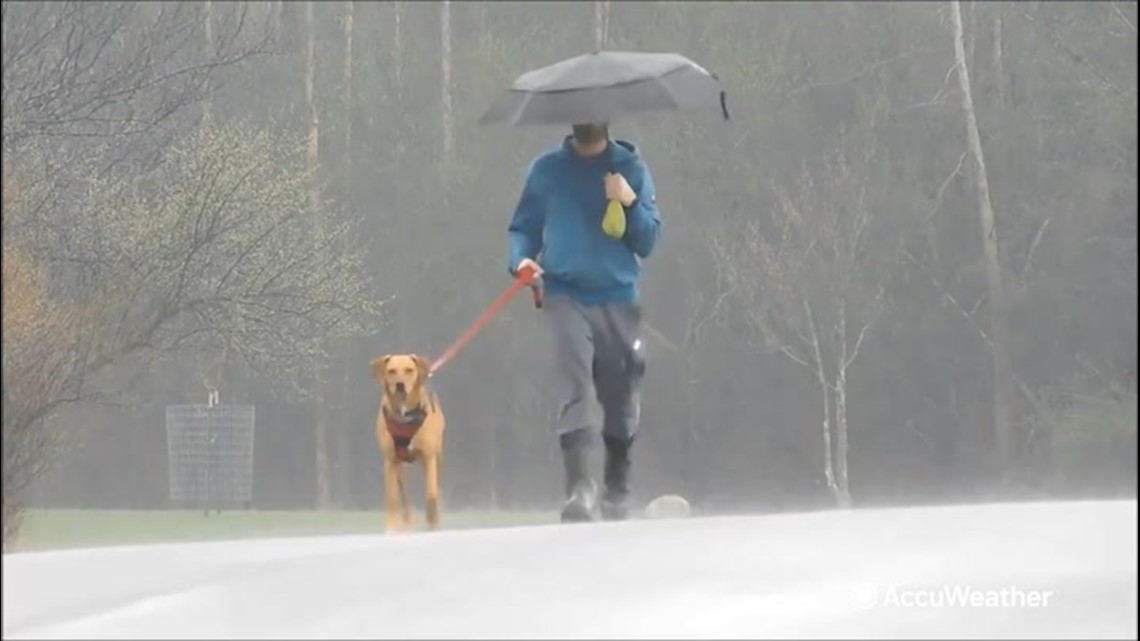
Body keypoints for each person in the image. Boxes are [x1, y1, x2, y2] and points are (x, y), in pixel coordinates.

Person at [507, 122, 661, 522]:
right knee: (575, 384)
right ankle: (579, 488)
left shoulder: (632, 167)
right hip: (564, 293)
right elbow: (523, 228)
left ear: (606, 119)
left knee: (619, 390)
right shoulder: (547, 171)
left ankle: (617, 487)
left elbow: (647, 241)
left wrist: (628, 201)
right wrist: (521, 260)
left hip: (618, 297)